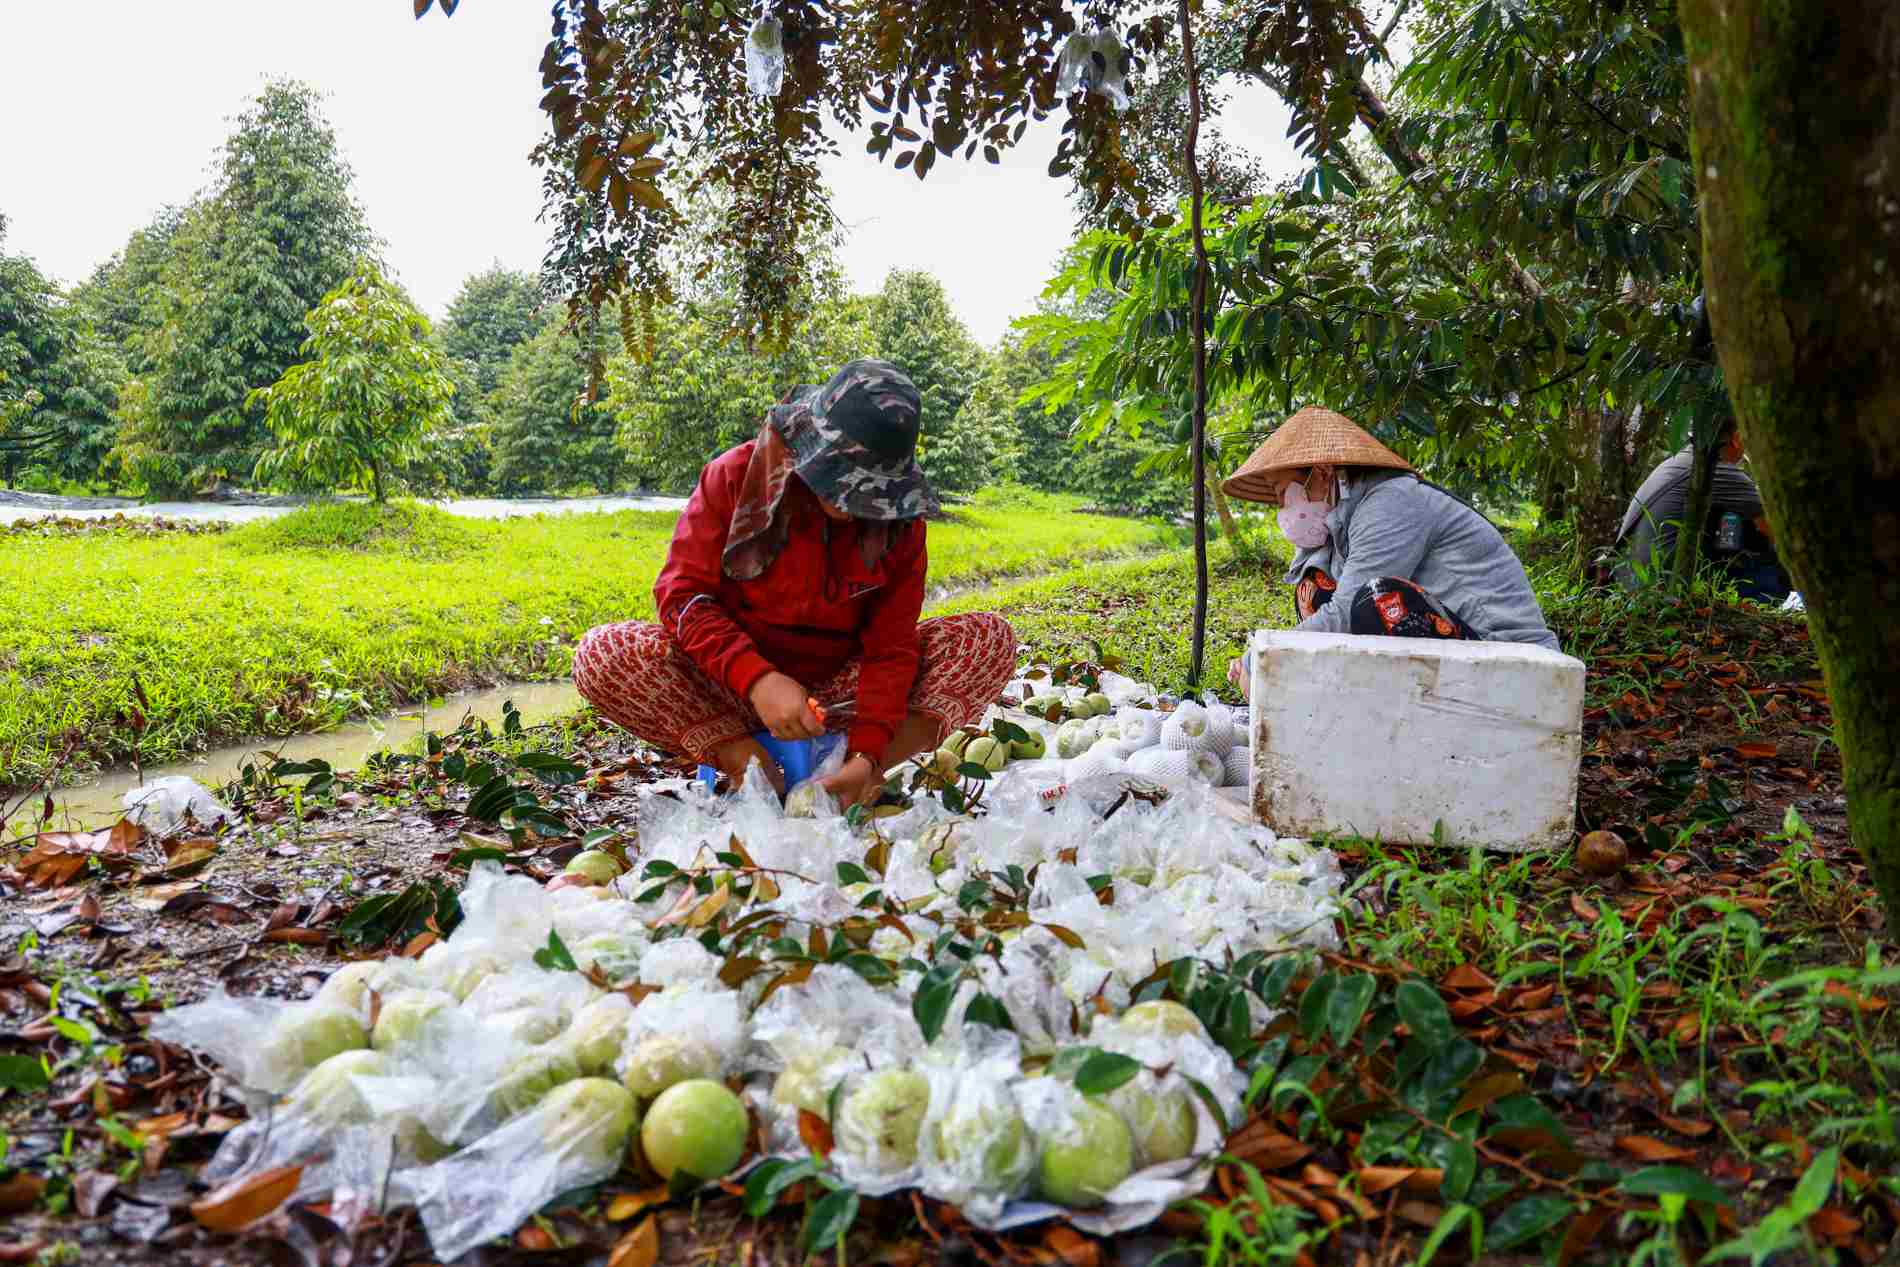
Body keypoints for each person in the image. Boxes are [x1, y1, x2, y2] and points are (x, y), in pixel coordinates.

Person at [572, 360, 1018, 807]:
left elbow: (891, 648)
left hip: (835, 699)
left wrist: (869, 751)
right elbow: (683, 599)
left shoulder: (898, 526)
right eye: (839, 481)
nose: (848, 503)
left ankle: (853, 775)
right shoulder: (734, 477)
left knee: (986, 638)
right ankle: (739, 757)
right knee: (604, 652)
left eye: (864, 491)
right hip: (730, 689)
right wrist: (759, 680)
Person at [1220, 406, 1559, 698]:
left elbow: (1345, 615)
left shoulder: (1392, 502)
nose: (1283, 507)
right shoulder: (1346, 519)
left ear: (1322, 473)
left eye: (1283, 493)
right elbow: (1325, 603)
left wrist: (1262, 654)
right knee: (1316, 589)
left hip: (1509, 655)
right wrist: (1265, 653)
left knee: (1375, 600)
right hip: (1467, 648)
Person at [1614, 420, 1791, 603]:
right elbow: (1778, 532)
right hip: (1663, 587)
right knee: (1775, 565)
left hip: (1632, 582)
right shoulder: (1716, 470)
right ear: (1737, 438)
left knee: (1738, 526)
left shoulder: (1677, 462)